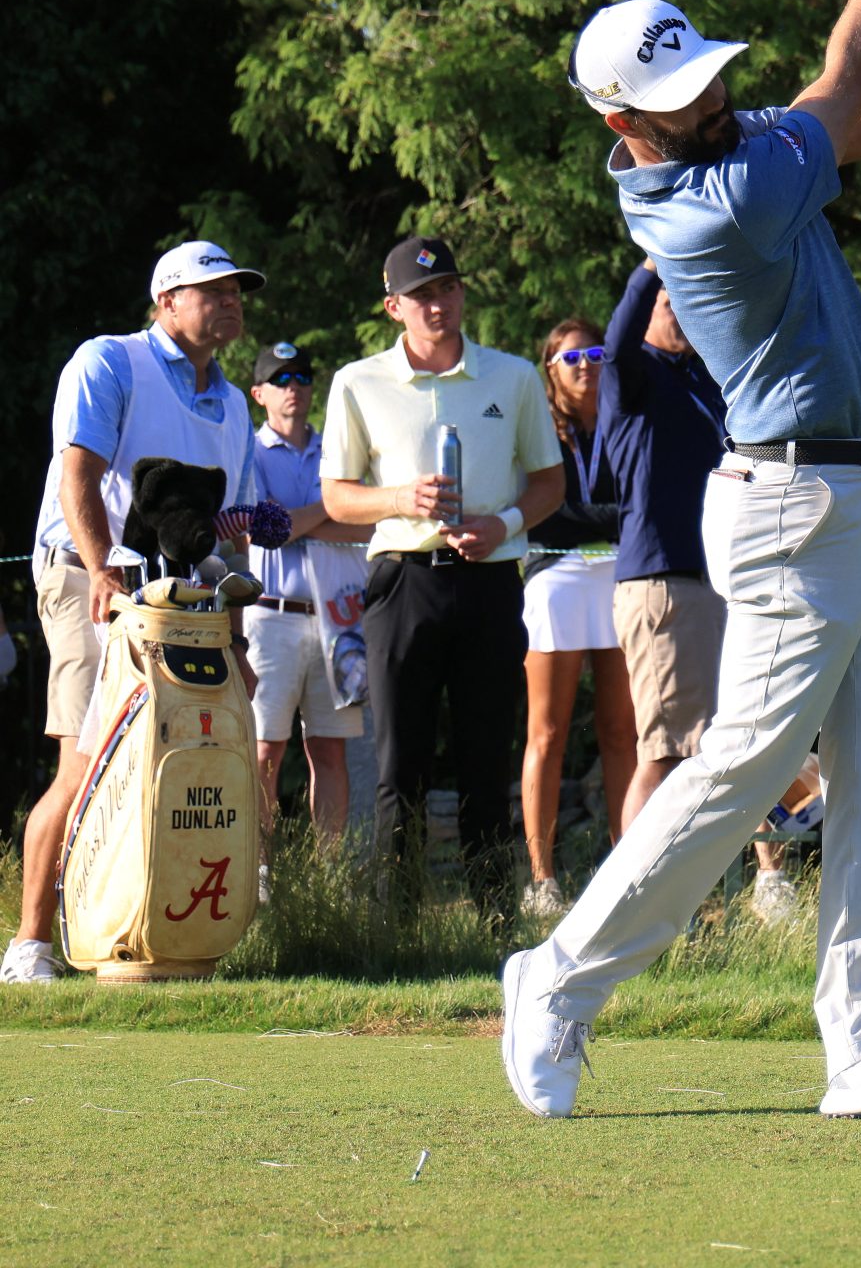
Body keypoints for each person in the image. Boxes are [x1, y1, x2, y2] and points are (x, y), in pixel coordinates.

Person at [506, 0, 861, 1122]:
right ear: (619, 121)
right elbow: (837, 81)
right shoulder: (708, 204)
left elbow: (857, 120)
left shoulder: (726, 145)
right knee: (739, 772)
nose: (706, 103)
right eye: (675, 101)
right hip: (794, 505)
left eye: (705, 81)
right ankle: (554, 980)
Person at [4, 241, 265, 985]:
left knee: (160, 767)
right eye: (211, 289)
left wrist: (237, 636)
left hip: (176, 602)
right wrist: (100, 569)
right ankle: (28, 947)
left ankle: (130, 929)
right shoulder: (109, 363)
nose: (230, 301)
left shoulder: (233, 404)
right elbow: (76, 476)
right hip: (89, 579)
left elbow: (233, 532)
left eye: (236, 291)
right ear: (166, 302)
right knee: (85, 763)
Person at [320, 236, 565, 911]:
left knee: (487, 758)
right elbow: (338, 496)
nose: (438, 304)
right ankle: (398, 924)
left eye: (448, 288)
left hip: (488, 578)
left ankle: (494, 919)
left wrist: (504, 524)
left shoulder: (512, 377)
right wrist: (402, 499)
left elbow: (549, 482)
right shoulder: (357, 382)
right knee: (401, 765)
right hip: (402, 581)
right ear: (393, 305)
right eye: (422, 295)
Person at [599, 259, 801, 918]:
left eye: (687, 301)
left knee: (739, 739)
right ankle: (628, 905)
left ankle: (766, 881)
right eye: (667, 302)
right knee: (664, 750)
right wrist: (649, 268)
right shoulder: (634, 375)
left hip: (721, 584)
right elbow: (620, 341)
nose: (678, 313)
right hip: (663, 584)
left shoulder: (706, 383)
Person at [242, 341, 374, 862]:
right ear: (259, 394)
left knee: (329, 749)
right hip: (267, 617)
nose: (293, 387)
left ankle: (330, 875)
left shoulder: (335, 449)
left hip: (337, 620)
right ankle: (260, 873)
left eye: (301, 377)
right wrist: (330, 506)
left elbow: (363, 525)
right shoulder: (246, 451)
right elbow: (267, 529)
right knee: (264, 752)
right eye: (281, 379)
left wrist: (304, 518)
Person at [518, 317, 632, 921]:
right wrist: (601, 517)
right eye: (570, 357)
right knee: (549, 732)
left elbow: (637, 511)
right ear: (550, 369)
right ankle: (541, 877)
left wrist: (582, 515)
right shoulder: (536, 428)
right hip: (555, 578)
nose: (585, 364)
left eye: (594, 353)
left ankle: (627, 864)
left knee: (622, 732)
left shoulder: (625, 419)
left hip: (621, 578)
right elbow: (541, 520)